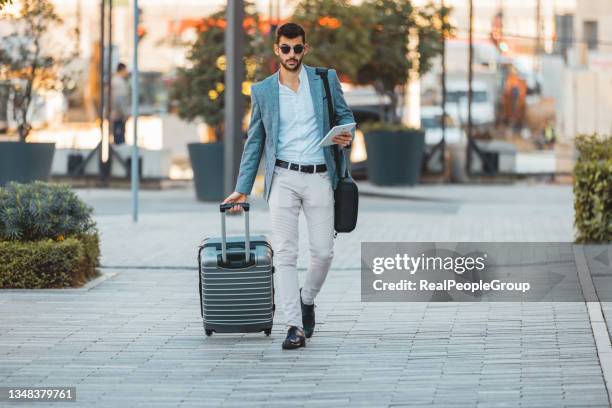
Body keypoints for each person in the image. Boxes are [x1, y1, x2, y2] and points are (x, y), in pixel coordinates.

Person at [222, 22, 355, 350]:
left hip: (320, 176)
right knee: (284, 253)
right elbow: (255, 142)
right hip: (282, 178)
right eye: (286, 48)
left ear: (304, 49)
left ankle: (306, 299)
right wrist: (243, 186)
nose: (292, 54)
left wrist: (345, 135)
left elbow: (345, 117)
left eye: (297, 48)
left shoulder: (325, 80)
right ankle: (293, 325)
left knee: (323, 252)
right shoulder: (264, 91)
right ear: (276, 50)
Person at [111, 62, 130, 145]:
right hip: (118, 116)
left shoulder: (116, 81)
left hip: (117, 115)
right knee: (120, 140)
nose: (127, 72)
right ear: (122, 70)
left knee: (118, 138)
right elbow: (119, 100)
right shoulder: (119, 83)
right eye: (126, 70)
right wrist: (125, 114)